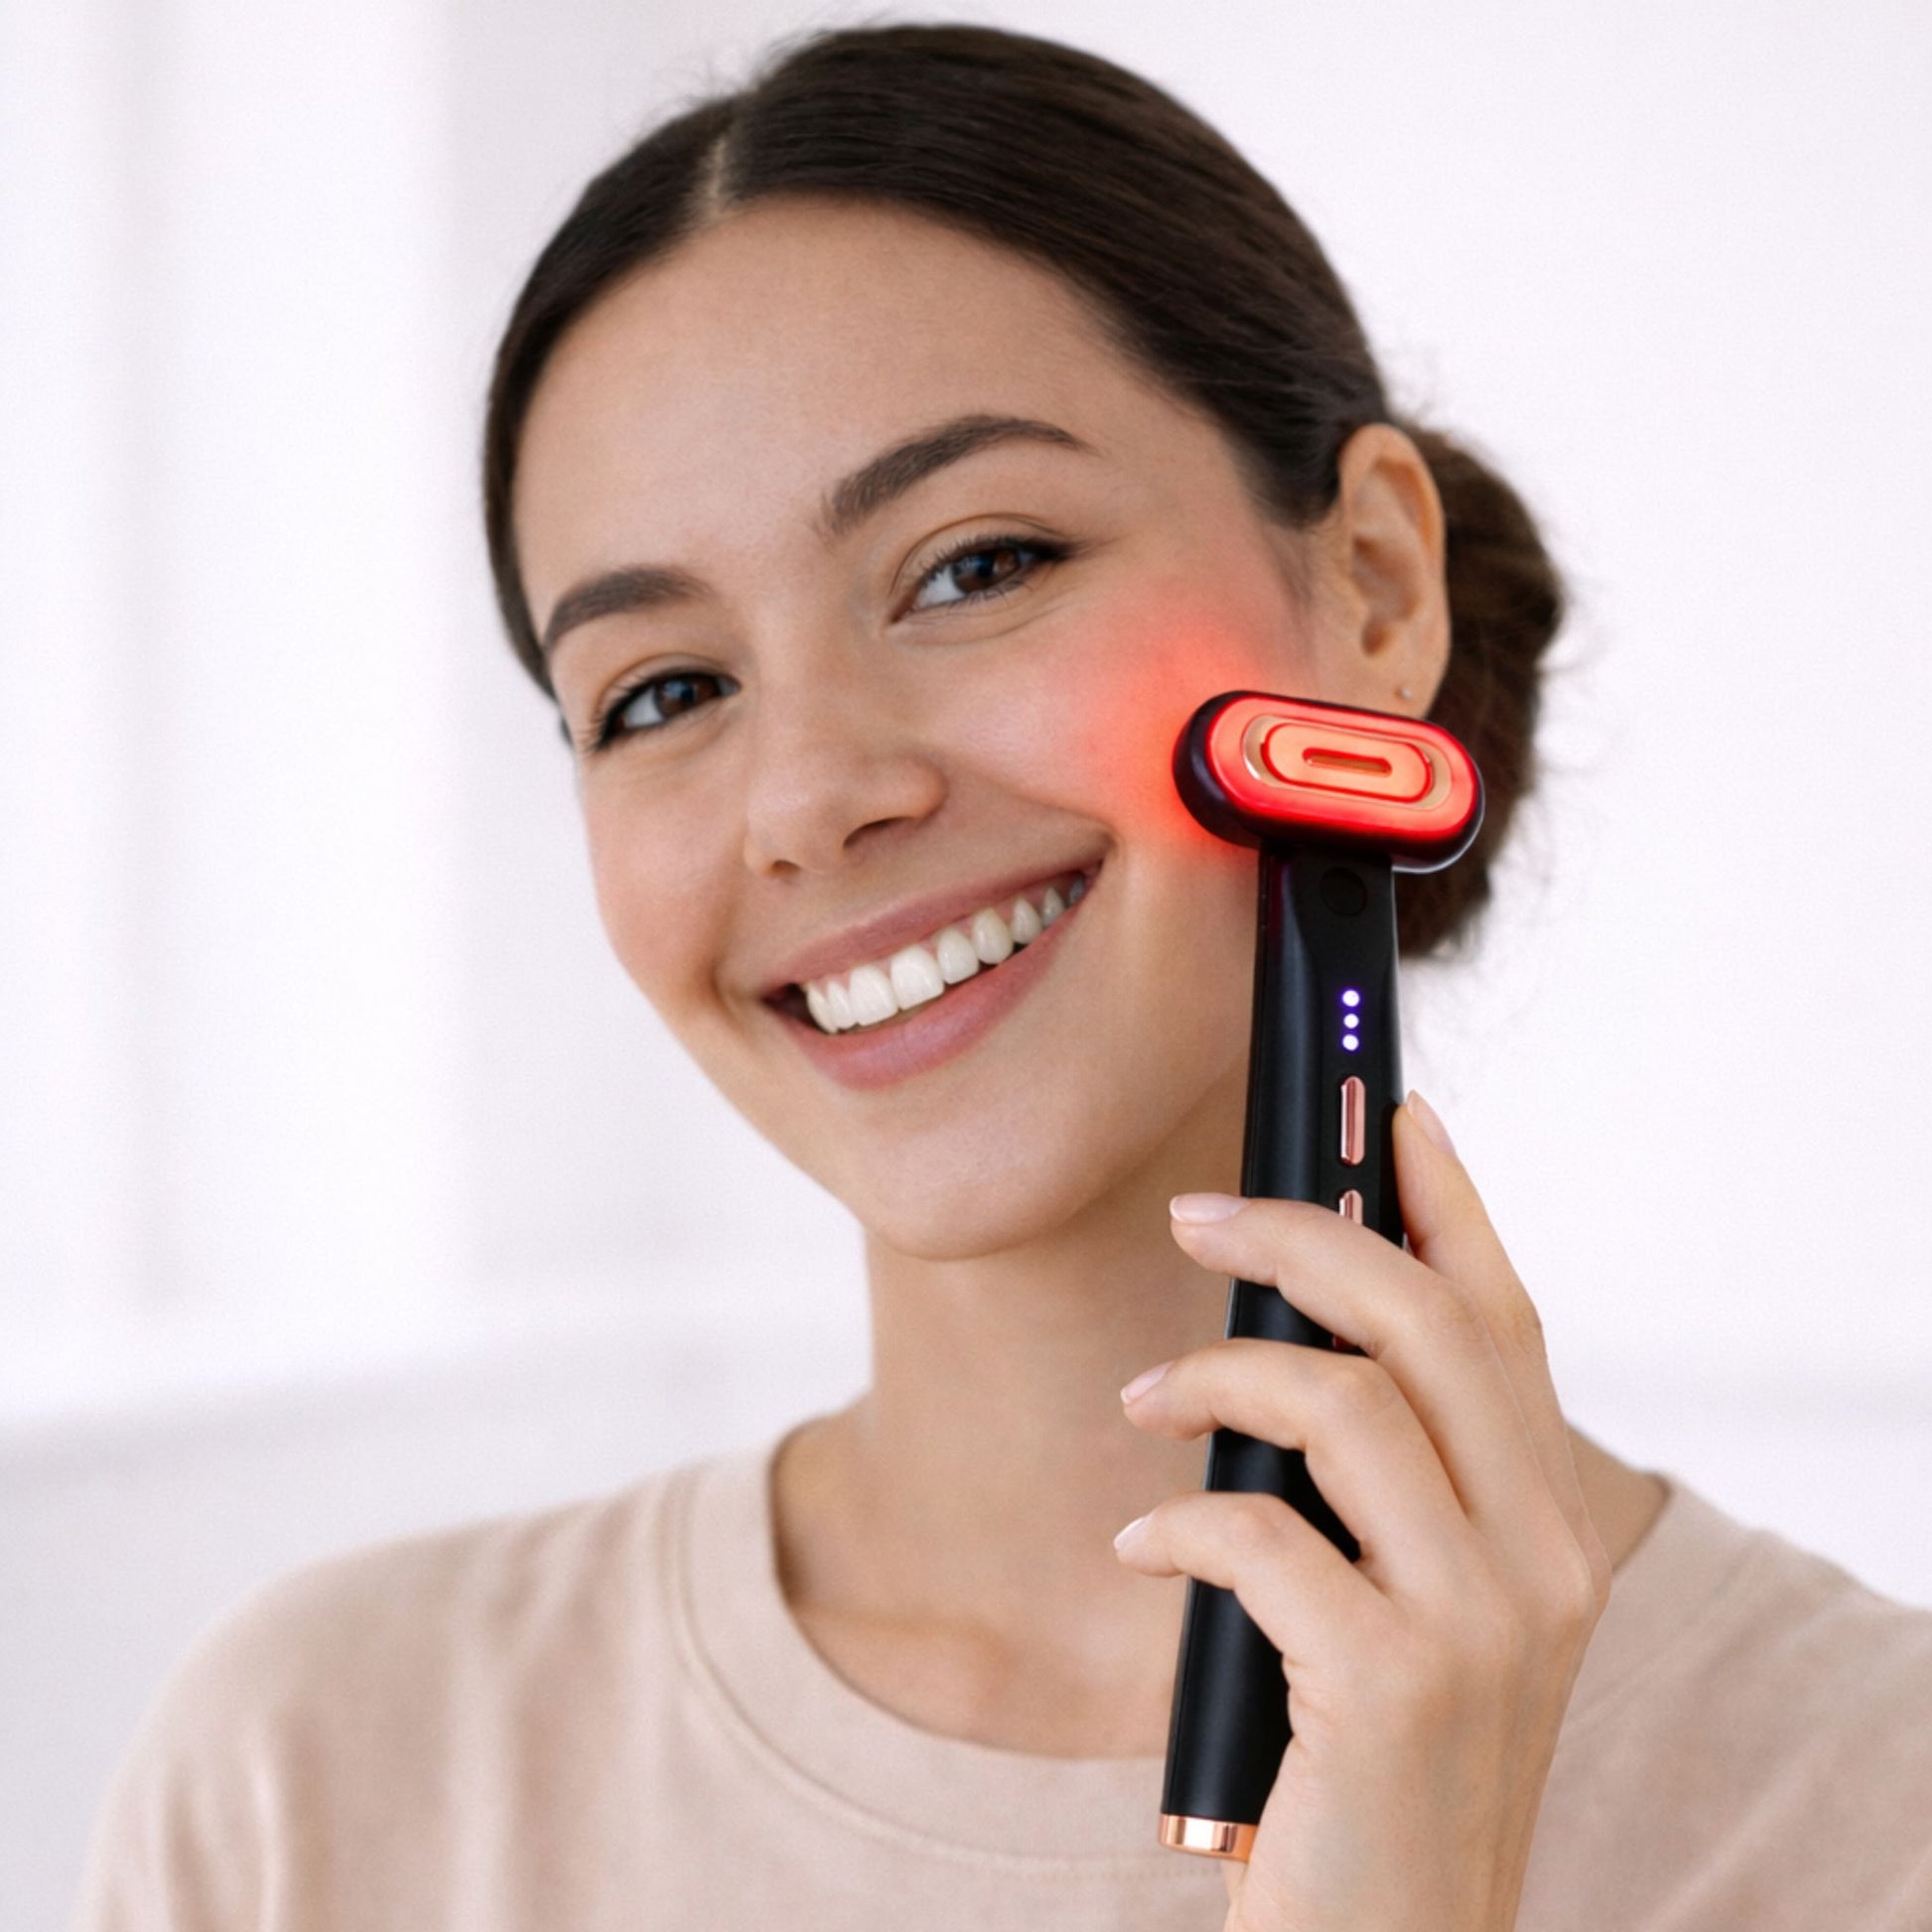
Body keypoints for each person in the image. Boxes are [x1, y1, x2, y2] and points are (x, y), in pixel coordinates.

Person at [73, 24, 1932, 1932]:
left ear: (1371, 585)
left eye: (975, 566)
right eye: (662, 692)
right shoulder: (315, 1777)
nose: (809, 797)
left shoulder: (1878, 1813)